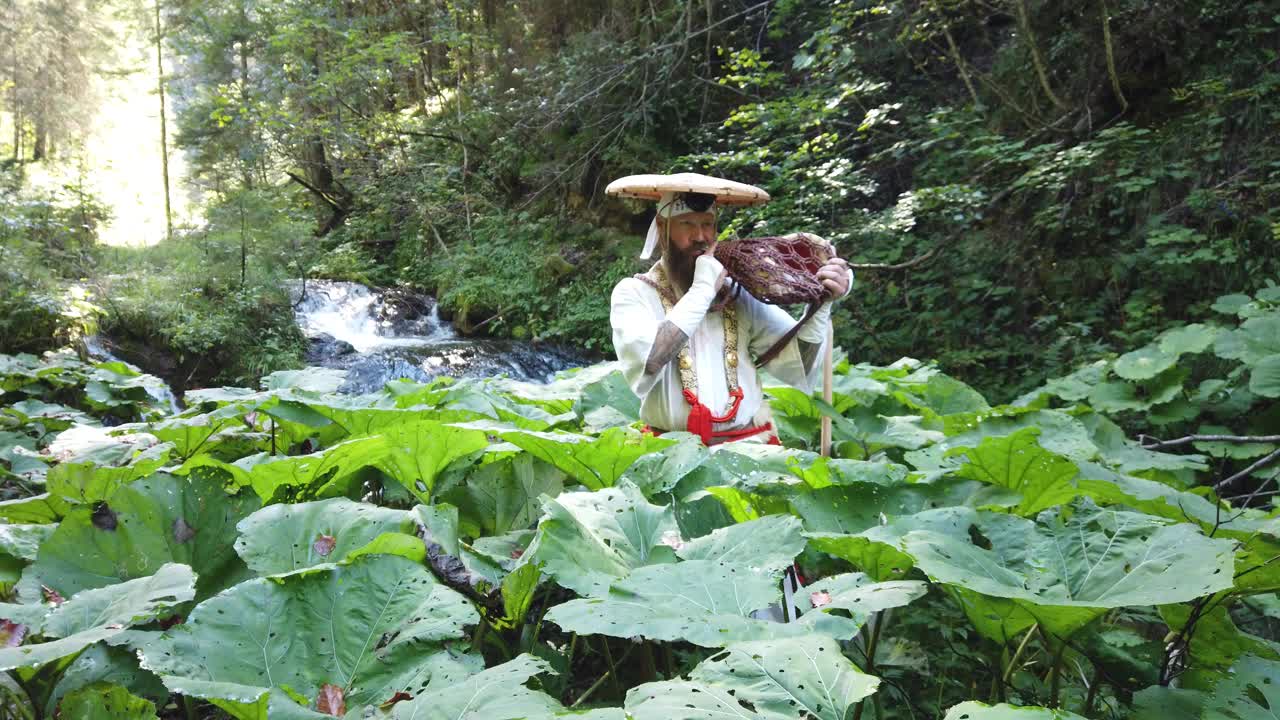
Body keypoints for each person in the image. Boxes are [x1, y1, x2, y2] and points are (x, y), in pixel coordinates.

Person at [608, 174, 852, 446]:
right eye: (687, 224)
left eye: (708, 225)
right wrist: (702, 290)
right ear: (662, 229)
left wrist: (821, 303)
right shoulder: (634, 292)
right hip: (670, 452)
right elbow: (649, 360)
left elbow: (797, 364)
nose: (700, 236)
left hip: (751, 448)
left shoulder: (737, 291)